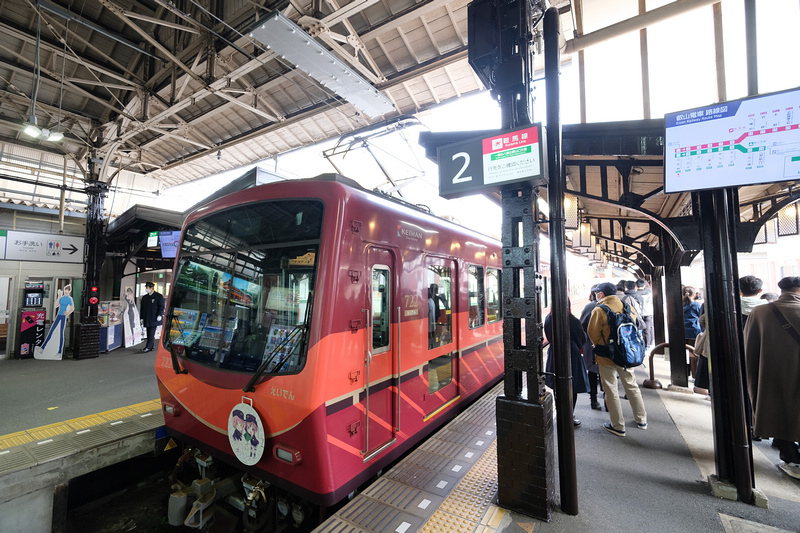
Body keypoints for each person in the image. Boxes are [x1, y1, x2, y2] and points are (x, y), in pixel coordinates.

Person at [743, 276, 800, 480]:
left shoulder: (760, 312)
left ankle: (791, 457)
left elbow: (748, 347)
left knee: (775, 411)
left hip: (769, 374)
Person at [587, 282, 648, 437]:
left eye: (597, 292)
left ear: (601, 294)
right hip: (627, 354)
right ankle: (641, 420)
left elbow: (592, 334)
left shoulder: (599, 310)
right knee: (631, 385)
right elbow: (636, 325)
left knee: (611, 389)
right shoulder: (627, 307)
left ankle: (618, 426)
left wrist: (602, 344)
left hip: (606, 356)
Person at [544, 300, 591, 427]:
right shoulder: (573, 320)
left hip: (554, 355)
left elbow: (548, 337)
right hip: (572, 355)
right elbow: (581, 340)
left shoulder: (549, 318)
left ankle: (560, 414)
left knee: (557, 386)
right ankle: (569, 416)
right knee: (572, 387)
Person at [34, 284, 74, 360]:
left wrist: (67, 313)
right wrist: (59, 296)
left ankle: (59, 352)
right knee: (51, 331)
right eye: (65, 290)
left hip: (63, 317)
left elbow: (72, 308)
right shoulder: (62, 298)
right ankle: (42, 348)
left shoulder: (69, 299)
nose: (66, 291)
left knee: (61, 333)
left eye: (67, 290)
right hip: (58, 315)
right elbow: (56, 305)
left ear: (69, 291)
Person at [579, 286, 602, 410]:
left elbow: (581, 325)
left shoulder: (590, 307)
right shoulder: (616, 305)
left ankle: (594, 400)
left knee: (592, 373)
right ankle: (610, 403)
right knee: (608, 375)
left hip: (592, 345)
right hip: (610, 348)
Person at [682, 286, 702, 378]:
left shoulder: (680, 304)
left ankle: (684, 374)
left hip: (682, 331)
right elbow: (701, 318)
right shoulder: (697, 305)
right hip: (694, 332)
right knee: (693, 353)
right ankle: (694, 374)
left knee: (682, 353)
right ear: (694, 295)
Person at [140, 282, 165, 352]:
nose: (146, 289)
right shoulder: (145, 297)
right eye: (146, 288)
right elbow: (142, 308)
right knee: (148, 332)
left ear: (152, 288)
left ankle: (148, 347)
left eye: (147, 288)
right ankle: (151, 345)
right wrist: (141, 317)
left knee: (151, 332)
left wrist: (160, 314)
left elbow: (161, 307)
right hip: (147, 317)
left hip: (154, 318)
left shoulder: (158, 296)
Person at [636, 279, 655, 348]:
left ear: (636, 286)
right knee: (648, 329)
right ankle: (648, 344)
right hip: (648, 313)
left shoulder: (636, 294)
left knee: (639, 329)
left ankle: (642, 343)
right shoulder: (649, 294)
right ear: (644, 285)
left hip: (639, 314)